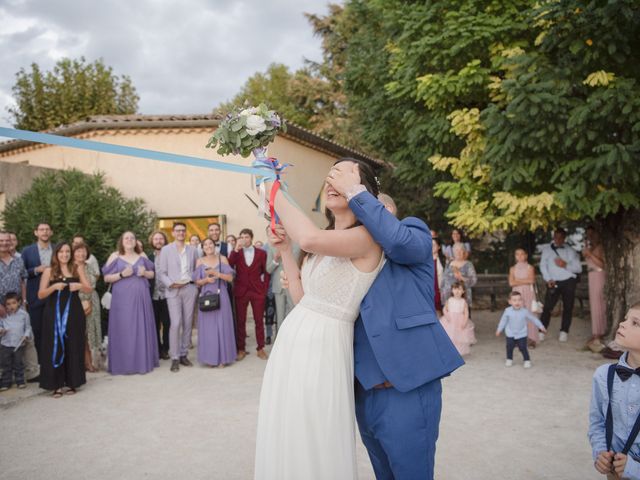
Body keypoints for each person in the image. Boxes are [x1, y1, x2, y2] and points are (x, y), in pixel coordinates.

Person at [259, 159, 464, 479]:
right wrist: (287, 252)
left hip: (405, 384)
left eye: (375, 206)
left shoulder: (410, 232)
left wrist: (272, 189)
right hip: (360, 386)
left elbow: (391, 238)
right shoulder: (337, 244)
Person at [589, 303, 640, 479]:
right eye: (626, 318)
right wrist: (600, 452)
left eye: (636, 323)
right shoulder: (604, 375)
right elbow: (597, 421)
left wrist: (634, 469)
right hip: (615, 474)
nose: (622, 324)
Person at [38, 242, 91, 397]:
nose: (65, 254)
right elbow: (40, 294)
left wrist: (79, 286)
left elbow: (89, 288)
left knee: (74, 345)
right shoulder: (49, 271)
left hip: (74, 313)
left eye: (68, 251)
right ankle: (55, 385)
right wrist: (53, 287)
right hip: (53, 314)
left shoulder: (77, 268)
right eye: (61, 252)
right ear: (56, 253)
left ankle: (73, 382)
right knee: (55, 346)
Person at [102, 232, 158, 375]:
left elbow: (152, 273)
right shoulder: (115, 256)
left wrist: (145, 273)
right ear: (121, 241)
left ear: (135, 241)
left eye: (132, 238)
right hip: (122, 299)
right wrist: (121, 275)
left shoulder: (142, 256)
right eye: (126, 238)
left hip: (141, 297)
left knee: (140, 326)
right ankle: (123, 363)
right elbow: (106, 278)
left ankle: (141, 361)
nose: (129, 240)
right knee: (123, 328)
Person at [158, 222, 199, 372]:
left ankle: (183, 354)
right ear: (173, 233)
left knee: (188, 323)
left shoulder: (193, 250)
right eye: (178, 231)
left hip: (189, 289)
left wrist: (195, 286)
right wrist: (170, 284)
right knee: (176, 323)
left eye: (183, 230)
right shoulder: (166, 250)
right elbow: (162, 272)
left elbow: (196, 269)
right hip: (173, 290)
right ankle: (174, 357)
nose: (181, 233)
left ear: (185, 233)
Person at [193, 237, 236, 367]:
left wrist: (216, 274)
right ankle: (210, 359)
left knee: (222, 325)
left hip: (221, 295)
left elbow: (229, 278)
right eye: (205, 244)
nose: (208, 246)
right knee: (208, 328)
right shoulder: (199, 261)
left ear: (214, 245)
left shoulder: (222, 259)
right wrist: (206, 280)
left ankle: (223, 358)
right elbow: (196, 282)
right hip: (206, 296)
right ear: (202, 247)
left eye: (210, 243)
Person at [229, 228, 268, 361]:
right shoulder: (236, 252)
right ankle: (241, 349)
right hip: (241, 291)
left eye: (247, 237)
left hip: (257, 291)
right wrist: (235, 250)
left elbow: (266, 272)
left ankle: (260, 348)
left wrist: (264, 289)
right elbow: (229, 265)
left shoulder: (262, 253)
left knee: (258, 320)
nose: (244, 239)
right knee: (241, 321)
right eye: (242, 237)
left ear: (251, 238)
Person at [539, 227, 582, 342]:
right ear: (553, 237)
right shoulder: (547, 250)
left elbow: (578, 269)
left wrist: (565, 265)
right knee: (547, 307)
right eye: (556, 237)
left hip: (568, 281)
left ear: (564, 238)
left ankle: (564, 331)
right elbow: (543, 266)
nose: (558, 240)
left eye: (560, 238)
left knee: (568, 307)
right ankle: (541, 330)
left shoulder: (571, 251)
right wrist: (548, 279)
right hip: (553, 281)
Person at [21, 222, 54, 361]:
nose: (44, 232)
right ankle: (40, 364)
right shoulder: (27, 251)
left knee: (54, 330)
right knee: (38, 331)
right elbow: (21, 273)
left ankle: (55, 363)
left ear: (51, 232)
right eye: (41, 230)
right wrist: (36, 270)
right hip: (35, 297)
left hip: (55, 295)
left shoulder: (58, 249)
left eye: (47, 229)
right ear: (36, 232)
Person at [496, 291, 547, 368]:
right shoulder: (507, 311)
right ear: (510, 302)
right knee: (509, 347)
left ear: (522, 301)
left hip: (521, 333)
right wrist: (499, 329)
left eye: (519, 300)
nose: (517, 302)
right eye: (514, 300)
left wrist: (541, 326)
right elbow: (503, 321)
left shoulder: (525, 311)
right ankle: (509, 359)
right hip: (510, 333)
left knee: (523, 347)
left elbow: (533, 319)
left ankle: (527, 360)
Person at [264, 227, 298, 343]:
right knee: (280, 317)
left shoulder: (298, 245)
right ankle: (279, 343)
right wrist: (275, 259)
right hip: (278, 288)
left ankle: (294, 341)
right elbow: (268, 269)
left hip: (294, 286)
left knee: (294, 316)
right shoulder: (272, 247)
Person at [72, 242, 101, 372]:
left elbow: (90, 286)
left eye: (83, 251)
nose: (81, 254)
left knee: (89, 332)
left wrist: (81, 270)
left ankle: (89, 361)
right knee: (78, 332)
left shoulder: (90, 267)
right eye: (78, 251)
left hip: (91, 300)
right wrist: (78, 269)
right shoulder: (69, 267)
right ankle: (82, 361)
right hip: (75, 301)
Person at [509, 248, 540, 347]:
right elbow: (511, 282)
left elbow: (531, 280)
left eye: (522, 254)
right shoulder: (513, 269)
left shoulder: (529, 267)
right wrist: (523, 280)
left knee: (530, 314)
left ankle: (531, 338)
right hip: (516, 293)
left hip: (528, 292)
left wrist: (518, 280)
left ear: (526, 255)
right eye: (517, 254)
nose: (520, 256)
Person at [0, 293, 32, 391]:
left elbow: (28, 327)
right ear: (5, 305)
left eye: (14, 303)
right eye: (8, 304)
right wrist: (1, 329)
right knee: (6, 364)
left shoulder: (24, 315)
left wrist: (26, 336)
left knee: (18, 363)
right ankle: (6, 382)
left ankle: (20, 381)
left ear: (19, 303)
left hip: (19, 344)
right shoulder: (3, 315)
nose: (11, 306)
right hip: (6, 344)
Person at [583, 226, 607, 353]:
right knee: (594, 304)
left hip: (599, 275)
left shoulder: (600, 247)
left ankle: (600, 332)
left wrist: (590, 254)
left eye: (592, 234)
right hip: (591, 276)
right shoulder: (590, 247)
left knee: (599, 303)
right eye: (588, 235)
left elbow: (602, 264)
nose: (590, 237)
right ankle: (595, 331)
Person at [148, 230, 171, 360]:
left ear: (164, 240)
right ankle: (158, 348)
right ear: (152, 241)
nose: (158, 241)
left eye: (161, 239)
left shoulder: (170, 255)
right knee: (155, 324)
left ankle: (166, 348)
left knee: (167, 323)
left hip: (167, 295)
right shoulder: (147, 257)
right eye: (156, 239)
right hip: (152, 295)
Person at [441, 282, 476, 356]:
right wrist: (447, 316)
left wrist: (465, 322)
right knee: (450, 336)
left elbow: (466, 313)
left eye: (459, 289)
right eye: (455, 289)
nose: (457, 291)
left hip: (460, 321)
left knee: (459, 337)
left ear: (463, 291)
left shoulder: (463, 301)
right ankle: (450, 351)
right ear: (452, 290)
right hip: (449, 321)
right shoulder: (450, 300)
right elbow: (444, 309)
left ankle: (458, 352)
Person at [442, 242, 477, 308]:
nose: (458, 252)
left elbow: (474, 281)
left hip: (463, 300)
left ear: (463, 252)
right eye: (456, 250)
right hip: (448, 299)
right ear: (453, 252)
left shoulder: (468, 264)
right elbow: (443, 281)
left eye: (460, 250)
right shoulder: (449, 264)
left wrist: (462, 277)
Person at [433, 237, 444, 311]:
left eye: (434, 245)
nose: (431, 247)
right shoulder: (423, 261)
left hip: (441, 291)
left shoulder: (444, 260)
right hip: (429, 292)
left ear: (439, 247)